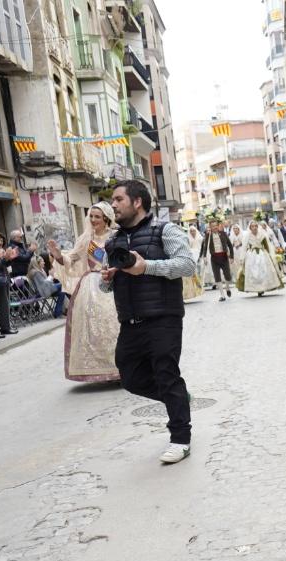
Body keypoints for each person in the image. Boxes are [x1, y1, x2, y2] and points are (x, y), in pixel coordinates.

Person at [101, 180, 196, 464]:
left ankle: (180, 438)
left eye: (118, 199)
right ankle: (179, 398)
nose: (113, 205)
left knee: (167, 375)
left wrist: (147, 267)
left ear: (137, 202)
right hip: (130, 321)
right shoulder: (113, 241)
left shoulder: (165, 231)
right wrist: (108, 279)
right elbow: (111, 283)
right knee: (130, 378)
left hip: (163, 318)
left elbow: (187, 265)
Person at [48, 202, 120, 382]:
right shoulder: (86, 239)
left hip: (113, 281)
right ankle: (100, 368)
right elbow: (71, 259)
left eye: (97, 216)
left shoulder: (116, 237)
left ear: (106, 218)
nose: (93, 220)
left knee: (115, 322)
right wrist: (58, 255)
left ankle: (121, 365)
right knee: (94, 326)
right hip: (90, 286)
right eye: (91, 216)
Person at [237, 222, 283, 296]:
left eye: (255, 226)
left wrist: (270, 255)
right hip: (251, 255)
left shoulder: (262, 235)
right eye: (252, 226)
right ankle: (257, 288)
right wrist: (242, 258)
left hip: (262, 254)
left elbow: (266, 245)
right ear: (250, 228)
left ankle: (263, 287)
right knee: (253, 272)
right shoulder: (247, 236)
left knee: (264, 271)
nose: (254, 228)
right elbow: (244, 248)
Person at [199, 219, 235, 301]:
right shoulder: (208, 235)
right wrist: (204, 257)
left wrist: (231, 257)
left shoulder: (223, 234)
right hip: (214, 258)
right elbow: (205, 247)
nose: (214, 227)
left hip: (224, 257)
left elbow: (230, 245)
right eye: (212, 226)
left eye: (215, 225)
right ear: (210, 227)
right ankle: (222, 295)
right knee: (217, 276)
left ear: (218, 226)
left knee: (228, 276)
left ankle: (227, 288)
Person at [183, 226, 204, 300]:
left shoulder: (200, 238)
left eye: (193, 230)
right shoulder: (187, 239)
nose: (192, 232)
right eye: (191, 231)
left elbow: (203, 247)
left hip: (200, 254)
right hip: (192, 256)